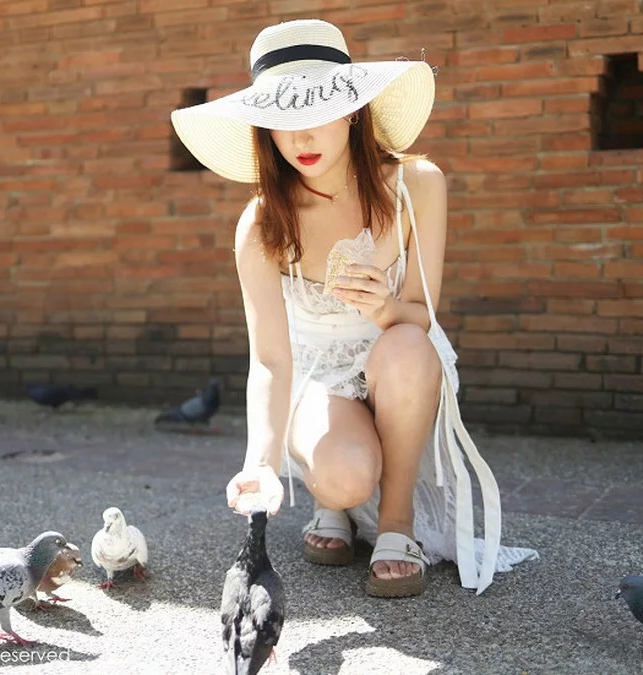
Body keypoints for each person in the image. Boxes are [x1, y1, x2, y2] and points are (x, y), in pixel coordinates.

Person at [171, 18, 538, 598]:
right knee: (344, 478)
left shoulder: (417, 185)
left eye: (318, 110)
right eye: (282, 120)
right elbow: (270, 360)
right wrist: (260, 461)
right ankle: (332, 498)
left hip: (401, 366)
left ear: (351, 110)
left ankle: (397, 524)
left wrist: (385, 306)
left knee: (407, 345)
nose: (302, 137)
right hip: (318, 379)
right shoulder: (260, 223)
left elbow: (422, 315)